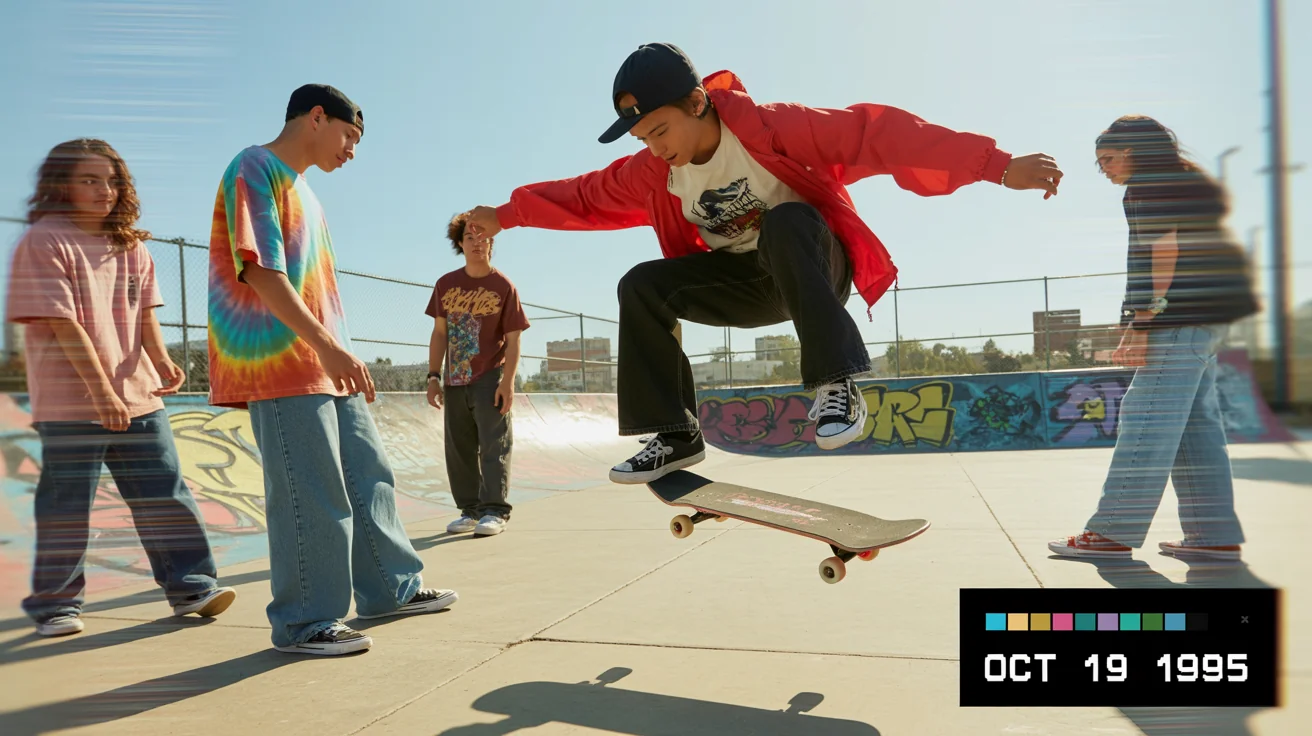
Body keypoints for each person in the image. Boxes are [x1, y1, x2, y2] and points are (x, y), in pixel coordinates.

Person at [462, 43, 1063, 484]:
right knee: (642, 284)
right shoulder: (657, 173)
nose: (655, 146)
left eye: (661, 129)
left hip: (815, 268)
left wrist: (995, 164)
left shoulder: (774, 128)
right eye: (643, 137)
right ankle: (674, 433)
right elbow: (586, 194)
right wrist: (505, 214)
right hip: (745, 287)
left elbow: (877, 133)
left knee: (786, 221)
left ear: (698, 102)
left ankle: (837, 386)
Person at [207, 84, 456, 656]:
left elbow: (319, 287)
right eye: (349, 136)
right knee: (310, 491)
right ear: (316, 118)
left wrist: (341, 351)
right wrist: (325, 346)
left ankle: (392, 587)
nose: (351, 151)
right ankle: (304, 621)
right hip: (281, 361)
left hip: (328, 360)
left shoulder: (309, 196)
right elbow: (262, 270)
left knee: (370, 477)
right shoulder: (255, 167)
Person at [6, 138, 236, 638]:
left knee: (164, 493)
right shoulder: (44, 241)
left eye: (111, 181)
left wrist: (161, 360)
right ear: (60, 184)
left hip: (138, 394)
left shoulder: (132, 245)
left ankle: (192, 585)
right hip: (71, 402)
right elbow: (64, 325)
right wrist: (101, 394)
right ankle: (57, 605)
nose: (103, 190)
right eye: (89, 179)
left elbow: (145, 313)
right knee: (68, 503)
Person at [1049, 115, 1259, 561]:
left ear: (1133, 152)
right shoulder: (1185, 181)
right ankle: (1212, 534)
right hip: (1207, 319)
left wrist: (1143, 321)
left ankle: (1112, 531)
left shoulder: (1149, 184)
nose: (1103, 167)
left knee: (1146, 416)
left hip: (1177, 319)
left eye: (1107, 158)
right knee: (1194, 427)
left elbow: (1164, 249)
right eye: (1098, 161)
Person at [427, 213, 530, 537]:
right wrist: (432, 376)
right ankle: (469, 511)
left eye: (482, 237)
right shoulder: (446, 284)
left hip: (490, 376)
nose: (476, 243)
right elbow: (440, 333)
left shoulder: (503, 286)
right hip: (454, 377)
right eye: (469, 238)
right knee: (458, 449)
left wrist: (508, 381)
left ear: (491, 242)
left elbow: (514, 340)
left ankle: (495, 511)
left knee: (493, 445)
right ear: (460, 244)